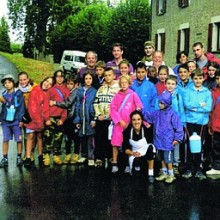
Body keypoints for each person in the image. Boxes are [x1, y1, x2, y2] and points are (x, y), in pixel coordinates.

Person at [142, 91, 184, 184]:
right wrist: (142, 111)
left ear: (167, 103)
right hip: (158, 140)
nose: (160, 105)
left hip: (168, 141)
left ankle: (171, 174)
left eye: (162, 103)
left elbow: (178, 127)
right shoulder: (157, 113)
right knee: (160, 158)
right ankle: (164, 173)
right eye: (159, 103)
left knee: (168, 159)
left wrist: (177, 139)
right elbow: (149, 117)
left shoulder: (173, 114)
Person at [182, 68, 212, 180]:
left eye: (200, 78)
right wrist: (200, 105)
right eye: (195, 78)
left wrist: (194, 107)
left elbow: (208, 107)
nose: (198, 81)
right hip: (190, 121)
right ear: (192, 79)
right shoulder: (187, 91)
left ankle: (198, 169)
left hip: (202, 122)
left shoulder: (207, 92)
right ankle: (189, 169)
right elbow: (187, 105)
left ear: (203, 78)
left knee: (199, 145)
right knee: (190, 145)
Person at [110, 75, 143, 173]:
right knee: (115, 143)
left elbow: (139, 106)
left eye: (125, 82)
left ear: (129, 83)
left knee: (129, 143)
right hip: (119, 124)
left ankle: (129, 163)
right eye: (122, 83)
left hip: (129, 124)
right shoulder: (117, 95)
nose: (123, 84)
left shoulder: (133, 94)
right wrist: (119, 120)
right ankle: (115, 163)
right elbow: (113, 109)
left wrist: (136, 115)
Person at [23, 77, 54, 168]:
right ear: (43, 81)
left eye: (50, 83)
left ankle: (40, 155)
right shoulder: (35, 90)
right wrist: (37, 120)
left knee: (40, 136)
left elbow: (46, 108)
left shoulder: (47, 93)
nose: (47, 84)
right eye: (46, 81)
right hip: (33, 119)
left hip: (41, 119)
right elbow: (32, 107)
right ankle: (28, 156)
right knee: (31, 136)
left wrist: (46, 118)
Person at [50, 76, 80, 165]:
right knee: (68, 137)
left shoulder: (75, 91)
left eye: (71, 84)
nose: (69, 86)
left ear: (75, 84)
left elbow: (68, 103)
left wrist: (55, 102)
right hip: (67, 117)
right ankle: (67, 153)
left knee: (75, 136)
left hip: (73, 116)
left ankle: (75, 153)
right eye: (68, 84)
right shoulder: (67, 91)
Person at [42, 70, 70, 166]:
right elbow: (46, 105)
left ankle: (56, 155)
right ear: (55, 77)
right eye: (58, 76)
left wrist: (63, 119)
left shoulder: (66, 90)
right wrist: (47, 119)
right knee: (48, 137)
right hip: (50, 117)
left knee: (58, 137)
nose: (60, 78)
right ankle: (46, 155)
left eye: (62, 76)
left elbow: (66, 106)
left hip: (60, 117)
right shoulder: (51, 89)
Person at [93, 67, 120, 167]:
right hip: (101, 118)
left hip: (111, 119)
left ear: (114, 76)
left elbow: (119, 104)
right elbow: (96, 103)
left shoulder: (118, 89)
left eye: (110, 75)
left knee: (111, 139)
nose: (108, 77)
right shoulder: (101, 89)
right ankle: (99, 157)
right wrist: (98, 114)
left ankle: (110, 156)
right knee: (99, 138)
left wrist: (113, 115)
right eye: (106, 75)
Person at [122, 110, 156, 183]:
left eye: (138, 119)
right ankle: (137, 168)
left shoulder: (147, 130)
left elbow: (151, 143)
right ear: (131, 121)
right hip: (134, 153)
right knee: (136, 178)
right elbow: (125, 148)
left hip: (145, 153)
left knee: (151, 148)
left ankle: (150, 173)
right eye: (134, 120)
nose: (136, 122)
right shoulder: (127, 132)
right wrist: (132, 153)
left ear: (142, 120)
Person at [0, 75, 25, 168]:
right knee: (5, 139)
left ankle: (19, 157)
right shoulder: (3, 95)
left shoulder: (18, 93)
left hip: (16, 121)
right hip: (6, 121)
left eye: (9, 82)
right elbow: (2, 108)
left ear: (13, 83)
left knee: (19, 139)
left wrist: (21, 119)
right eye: (5, 83)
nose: (7, 84)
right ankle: (5, 158)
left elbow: (22, 107)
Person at [74, 71, 97, 166]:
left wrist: (94, 119)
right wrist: (77, 119)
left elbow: (96, 105)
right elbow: (78, 104)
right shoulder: (79, 91)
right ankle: (83, 155)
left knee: (90, 138)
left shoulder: (94, 91)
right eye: (86, 78)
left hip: (90, 117)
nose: (88, 80)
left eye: (90, 78)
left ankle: (91, 157)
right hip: (82, 117)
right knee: (82, 137)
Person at [165, 75, 185, 174]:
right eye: (168, 83)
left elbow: (181, 111)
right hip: (166, 125)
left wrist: (181, 124)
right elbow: (158, 110)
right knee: (166, 144)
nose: (170, 86)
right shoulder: (162, 96)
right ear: (165, 84)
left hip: (176, 124)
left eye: (173, 84)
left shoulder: (178, 96)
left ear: (176, 85)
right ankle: (167, 164)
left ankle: (176, 164)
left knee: (175, 143)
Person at [16, 71, 38, 162]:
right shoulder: (16, 89)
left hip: (33, 114)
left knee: (33, 135)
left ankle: (31, 152)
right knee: (26, 135)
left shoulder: (34, 87)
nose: (23, 81)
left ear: (28, 79)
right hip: (22, 115)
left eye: (24, 79)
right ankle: (26, 153)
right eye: (20, 80)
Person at [206, 69, 220, 176]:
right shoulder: (213, 92)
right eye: (218, 78)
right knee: (216, 147)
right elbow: (211, 110)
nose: (219, 81)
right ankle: (216, 167)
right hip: (216, 125)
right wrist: (210, 124)